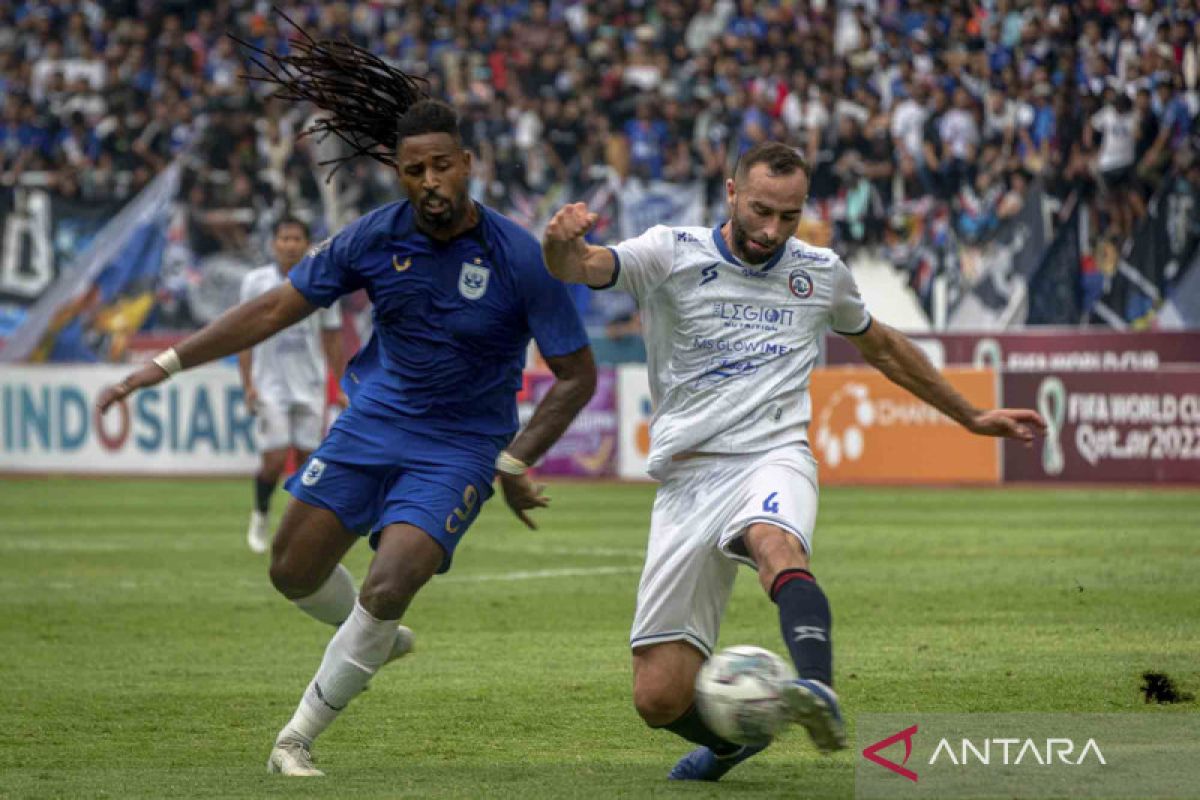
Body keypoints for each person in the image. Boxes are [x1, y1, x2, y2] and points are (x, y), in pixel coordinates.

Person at [97, 28, 596, 777]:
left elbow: (577, 375)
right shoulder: (370, 238)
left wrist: (515, 456)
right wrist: (160, 365)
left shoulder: (521, 257)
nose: (429, 181)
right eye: (413, 169)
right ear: (399, 173)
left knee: (391, 580)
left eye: (441, 166)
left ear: (467, 165)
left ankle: (294, 739)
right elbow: (270, 311)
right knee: (290, 570)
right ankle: (374, 639)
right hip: (372, 422)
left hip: (460, 444)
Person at [541, 141, 1046, 782]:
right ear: (730, 193)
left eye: (790, 215)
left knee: (775, 542)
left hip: (772, 454)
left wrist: (971, 415)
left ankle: (818, 689)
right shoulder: (670, 252)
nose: (774, 231)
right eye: (761, 211)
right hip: (687, 479)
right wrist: (558, 243)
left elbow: (884, 347)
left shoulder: (820, 271)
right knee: (659, 696)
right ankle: (731, 741)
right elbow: (579, 265)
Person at [238, 216, 346, 554]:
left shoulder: (324, 283)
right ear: (274, 244)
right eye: (284, 238)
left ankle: (295, 530)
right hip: (270, 385)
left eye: (296, 238)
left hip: (309, 386)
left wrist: (340, 385)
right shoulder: (256, 282)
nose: (289, 244)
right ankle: (260, 515)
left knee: (307, 462)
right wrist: (248, 385)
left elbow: (332, 338)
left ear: (306, 244)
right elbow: (243, 334)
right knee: (273, 460)